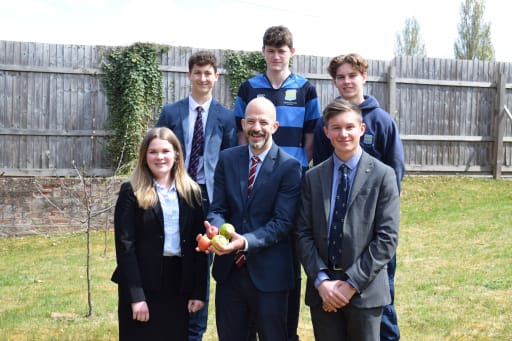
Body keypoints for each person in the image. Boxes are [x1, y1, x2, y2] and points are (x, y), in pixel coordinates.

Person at [233, 25, 321, 341]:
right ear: (264, 53)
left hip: (291, 178)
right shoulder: (249, 88)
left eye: (281, 51)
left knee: (287, 249)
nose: (276, 56)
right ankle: (251, 323)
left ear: (291, 53)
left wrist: (296, 169)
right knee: (253, 240)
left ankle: (286, 329)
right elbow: (243, 133)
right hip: (256, 178)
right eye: (270, 51)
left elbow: (311, 135)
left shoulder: (306, 89)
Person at [312, 53, 405, 340]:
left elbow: (395, 173)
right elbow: (322, 173)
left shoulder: (382, 121)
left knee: (380, 302)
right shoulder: (324, 123)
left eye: (352, 75)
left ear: (363, 77)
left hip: (371, 233)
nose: (347, 81)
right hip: (336, 238)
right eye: (340, 76)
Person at [295, 98, 400, 341]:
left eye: (350, 127)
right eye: (336, 128)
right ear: (326, 132)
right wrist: (323, 282)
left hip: (365, 291)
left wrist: (351, 284)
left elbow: (387, 239)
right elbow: (302, 233)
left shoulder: (383, 176)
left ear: (361, 130)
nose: (344, 134)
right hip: (324, 292)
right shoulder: (313, 177)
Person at [205, 97, 302, 340]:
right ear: (243, 124)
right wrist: (215, 229)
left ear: (275, 127)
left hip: (270, 276)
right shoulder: (227, 159)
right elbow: (218, 208)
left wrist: (244, 242)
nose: (256, 127)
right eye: (250, 121)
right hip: (230, 275)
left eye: (263, 122)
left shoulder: (289, 167)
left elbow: (282, 223)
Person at [157, 50, 237, 341]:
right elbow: (158, 151)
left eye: (208, 73)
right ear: (188, 75)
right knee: (173, 253)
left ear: (216, 77)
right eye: (197, 72)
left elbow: (229, 161)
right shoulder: (171, 112)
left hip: (208, 195)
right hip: (176, 189)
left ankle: (195, 331)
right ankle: (169, 320)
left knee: (202, 259)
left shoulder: (226, 117)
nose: (203, 78)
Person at [111, 127, 208, 341]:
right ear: (145, 156)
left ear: (176, 154)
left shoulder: (191, 192)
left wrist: (198, 292)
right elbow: (125, 246)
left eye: (165, 151)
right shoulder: (131, 191)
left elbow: (200, 246)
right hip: (142, 282)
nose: (160, 157)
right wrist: (136, 297)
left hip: (177, 284)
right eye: (153, 152)